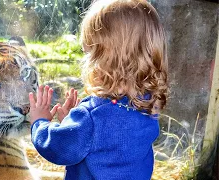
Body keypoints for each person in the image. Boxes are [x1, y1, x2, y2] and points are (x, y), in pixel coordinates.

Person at [28, 0, 168, 179]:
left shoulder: (92, 116)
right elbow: (107, 141)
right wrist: (72, 124)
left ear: (103, 60)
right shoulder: (147, 106)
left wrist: (39, 123)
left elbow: (59, 148)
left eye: (87, 53)